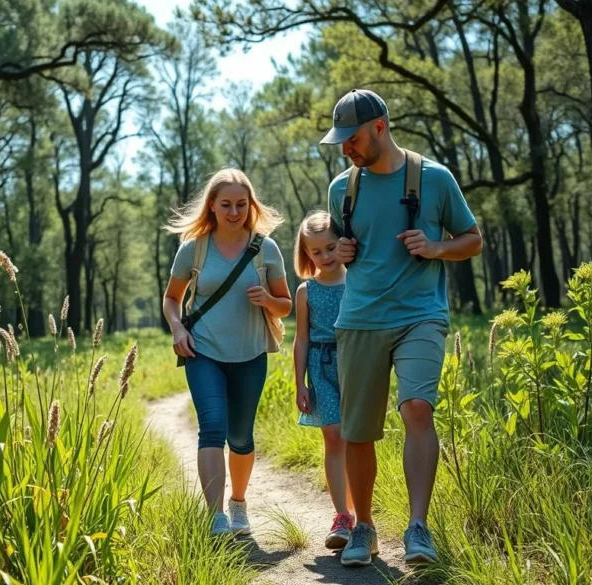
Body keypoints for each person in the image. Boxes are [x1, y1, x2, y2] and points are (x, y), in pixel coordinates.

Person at [318, 89, 482, 567]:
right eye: (341, 142)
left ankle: (417, 528)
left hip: (420, 315)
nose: (345, 148)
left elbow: (471, 240)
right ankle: (363, 529)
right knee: (358, 430)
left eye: (351, 139)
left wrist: (435, 247)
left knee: (416, 408)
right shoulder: (341, 188)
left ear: (380, 128)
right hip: (360, 318)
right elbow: (346, 246)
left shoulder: (434, 178)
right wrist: (343, 251)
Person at [163, 167, 293, 536]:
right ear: (212, 206)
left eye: (241, 204)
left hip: (250, 355)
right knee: (212, 428)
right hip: (203, 352)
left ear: (250, 205)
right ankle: (215, 515)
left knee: (241, 437)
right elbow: (172, 299)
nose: (234, 212)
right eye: (226, 205)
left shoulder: (264, 248)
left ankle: (238, 503)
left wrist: (268, 299)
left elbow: (285, 306)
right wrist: (177, 329)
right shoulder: (195, 248)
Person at [291, 209, 355, 550]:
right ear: (306, 253)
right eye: (316, 251)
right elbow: (300, 339)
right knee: (333, 435)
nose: (325, 256)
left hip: (355, 364)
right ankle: (342, 515)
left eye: (331, 247)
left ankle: (361, 514)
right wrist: (300, 383)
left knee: (357, 436)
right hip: (320, 365)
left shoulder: (357, 281)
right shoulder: (306, 291)